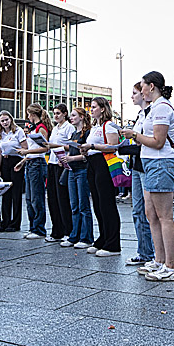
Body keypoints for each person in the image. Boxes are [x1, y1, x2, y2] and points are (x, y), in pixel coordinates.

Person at [119, 71, 174, 281]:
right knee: (151, 214)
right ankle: (159, 260)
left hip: (161, 162)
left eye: (143, 85)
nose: (141, 90)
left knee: (164, 216)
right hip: (151, 163)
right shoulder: (154, 108)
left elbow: (158, 142)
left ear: (151, 86)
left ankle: (170, 266)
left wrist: (135, 135)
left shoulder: (161, 107)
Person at [78, 97, 121, 256]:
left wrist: (92, 146)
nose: (91, 109)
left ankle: (113, 243)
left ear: (103, 109)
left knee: (106, 203)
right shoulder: (94, 127)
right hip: (92, 163)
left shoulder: (108, 125)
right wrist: (86, 150)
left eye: (94, 106)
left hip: (104, 163)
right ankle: (103, 237)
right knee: (97, 203)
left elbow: (113, 146)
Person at [125, 83, 155, 263]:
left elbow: (151, 139)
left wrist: (134, 137)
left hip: (146, 164)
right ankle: (144, 252)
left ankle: (155, 254)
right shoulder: (140, 115)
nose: (132, 96)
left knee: (150, 211)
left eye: (135, 93)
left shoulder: (152, 113)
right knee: (137, 210)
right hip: (136, 164)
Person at [18, 103, 51, 240]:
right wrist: (23, 160)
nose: (28, 117)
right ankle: (33, 227)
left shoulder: (41, 128)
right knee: (29, 198)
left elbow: (45, 148)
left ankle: (39, 228)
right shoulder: (34, 128)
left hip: (37, 163)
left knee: (36, 198)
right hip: (30, 162)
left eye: (28, 114)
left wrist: (26, 152)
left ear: (32, 114)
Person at [64, 107, 94, 249]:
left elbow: (86, 155)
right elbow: (72, 151)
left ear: (81, 117)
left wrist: (71, 158)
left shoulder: (87, 133)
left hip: (82, 169)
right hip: (72, 170)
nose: (71, 118)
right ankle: (74, 235)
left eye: (74, 115)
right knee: (74, 205)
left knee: (83, 205)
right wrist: (65, 158)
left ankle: (86, 237)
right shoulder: (74, 133)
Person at [45, 104, 74, 243]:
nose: (56, 116)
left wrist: (56, 146)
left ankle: (67, 230)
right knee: (52, 198)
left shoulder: (69, 127)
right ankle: (56, 230)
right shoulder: (55, 128)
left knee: (62, 198)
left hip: (61, 163)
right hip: (52, 162)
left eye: (58, 113)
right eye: (54, 113)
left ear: (64, 114)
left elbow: (71, 146)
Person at [0, 112, 25, 232]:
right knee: (6, 192)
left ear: (11, 120)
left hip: (16, 160)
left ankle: (15, 223)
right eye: (2, 121)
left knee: (16, 193)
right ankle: (5, 221)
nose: (5, 122)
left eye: (6, 120)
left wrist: (17, 153)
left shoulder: (18, 131)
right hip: (5, 161)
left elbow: (25, 148)